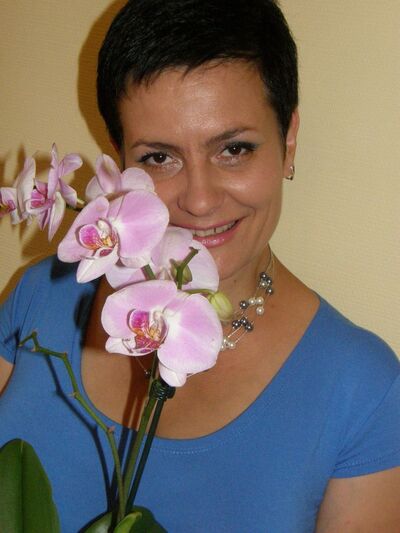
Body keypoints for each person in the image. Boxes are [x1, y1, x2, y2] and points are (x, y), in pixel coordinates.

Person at [1, 0, 400, 531]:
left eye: (234, 149)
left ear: (288, 141)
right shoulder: (43, 296)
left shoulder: (362, 392)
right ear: (120, 158)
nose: (200, 199)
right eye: (159, 157)